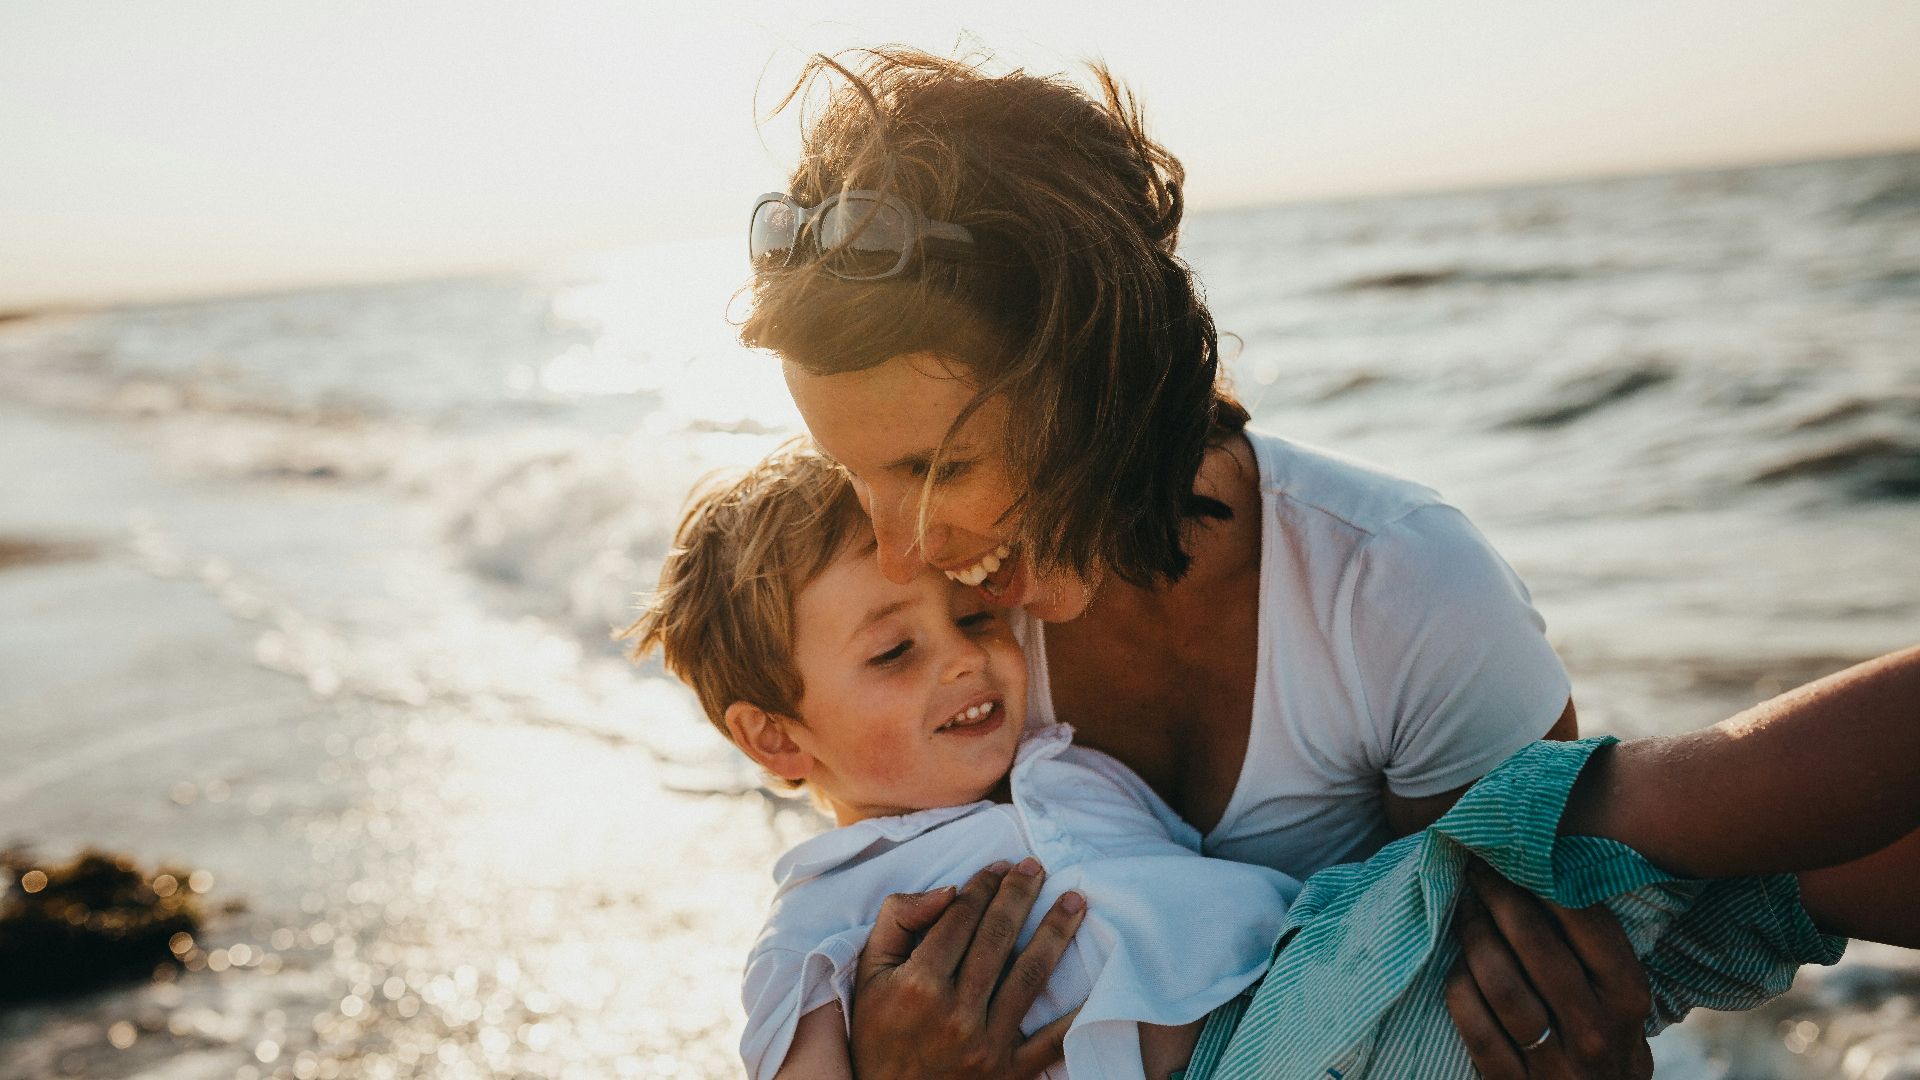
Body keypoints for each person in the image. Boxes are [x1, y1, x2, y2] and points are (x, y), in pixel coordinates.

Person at [738, 46, 1633, 1079]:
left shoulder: (1398, 593)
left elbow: (1538, 992)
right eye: (853, 473)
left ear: (1100, 381)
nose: (902, 548)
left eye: (938, 466)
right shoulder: (939, 638)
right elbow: (851, 913)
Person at [623, 443, 1920, 1080]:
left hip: (1343, 991)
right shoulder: (826, 917)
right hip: (1276, 1048)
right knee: (1597, 817)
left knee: (1777, 890)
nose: (967, 662)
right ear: (777, 739)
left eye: (971, 617)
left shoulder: (1067, 767)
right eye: (892, 656)